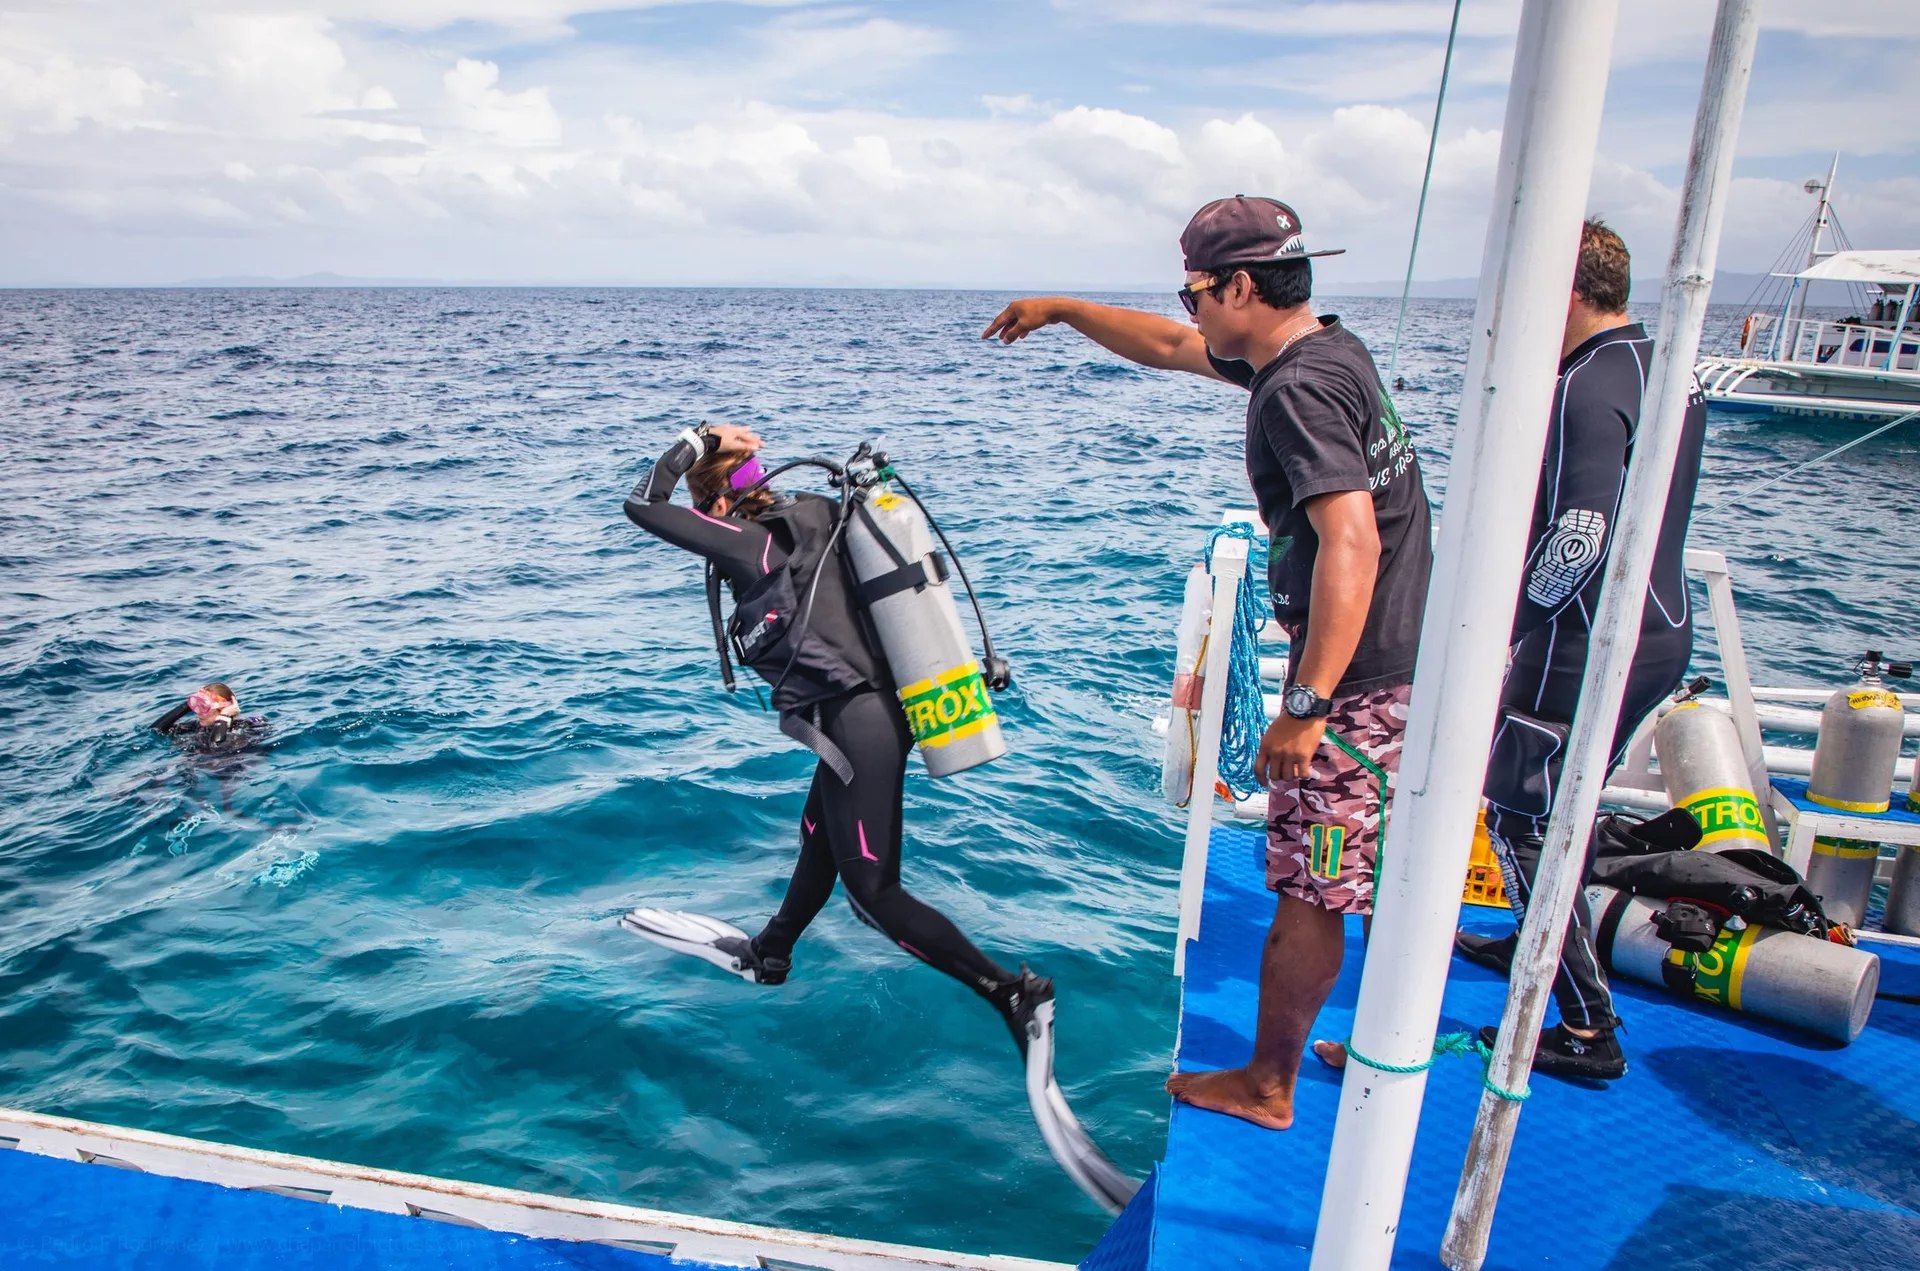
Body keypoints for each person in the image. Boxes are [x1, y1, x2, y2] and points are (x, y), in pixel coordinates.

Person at [984, 196, 1433, 1131]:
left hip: (1356, 679)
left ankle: (1268, 1085)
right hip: (1392, 656)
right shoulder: (1326, 350)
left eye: (1193, 293)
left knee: (1312, 884)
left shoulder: (1297, 391)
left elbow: (1351, 542)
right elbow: (1171, 349)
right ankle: (1366, 1035)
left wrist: (1306, 704)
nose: (1186, 311)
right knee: (1356, 867)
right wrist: (1062, 309)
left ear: (1238, 287)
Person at [620, 423, 1133, 1208]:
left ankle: (1012, 992)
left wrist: (695, 440)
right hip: (861, 717)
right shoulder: (813, 521)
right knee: (818, 838)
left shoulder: (751, 543)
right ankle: (771, 951)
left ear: (717, 502)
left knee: (872, 891)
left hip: (857, 721)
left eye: (706, 504)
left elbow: (641, 505)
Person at [1453, 218, 1709, 1081]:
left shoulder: (1583, 384)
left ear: (1562, 290)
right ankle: (1537, 941)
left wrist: (1501, 630)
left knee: (1520, 815)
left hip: (1585, 638)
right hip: (1658, 628)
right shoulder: (1669, 367)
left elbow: (1578, 536)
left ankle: (1585, 1023)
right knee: (1564, 805)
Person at [150, 682, 261, 752]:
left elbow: (216, 747)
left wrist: (224, 716)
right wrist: (187, 705)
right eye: (196, 706)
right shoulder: (197, 727)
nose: (198, 712)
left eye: (203, 707)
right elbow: (156, 730)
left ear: (223, 709)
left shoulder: (247, 726)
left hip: (228, 769)